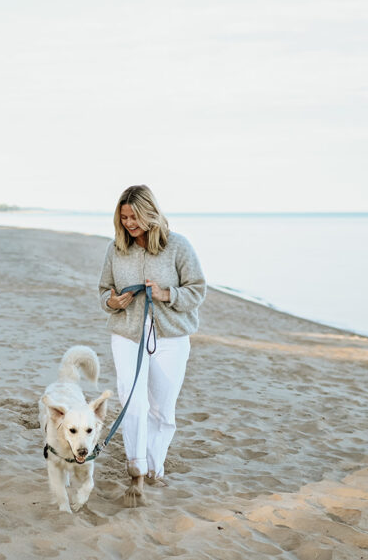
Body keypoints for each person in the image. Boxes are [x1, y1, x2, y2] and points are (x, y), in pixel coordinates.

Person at [98, 184, 206, 506]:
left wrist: (166, 295)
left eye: (134, 217)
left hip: (171, 336)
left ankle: (153, 465)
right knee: (132, 401)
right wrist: (113, 301)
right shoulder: (115, 249)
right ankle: (136, 469)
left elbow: (198, 289)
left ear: (149, 213)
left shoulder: (178, 246)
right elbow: (103, 290)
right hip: (127, 332)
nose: (129, 224)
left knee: (162, 408)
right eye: (124, 218)